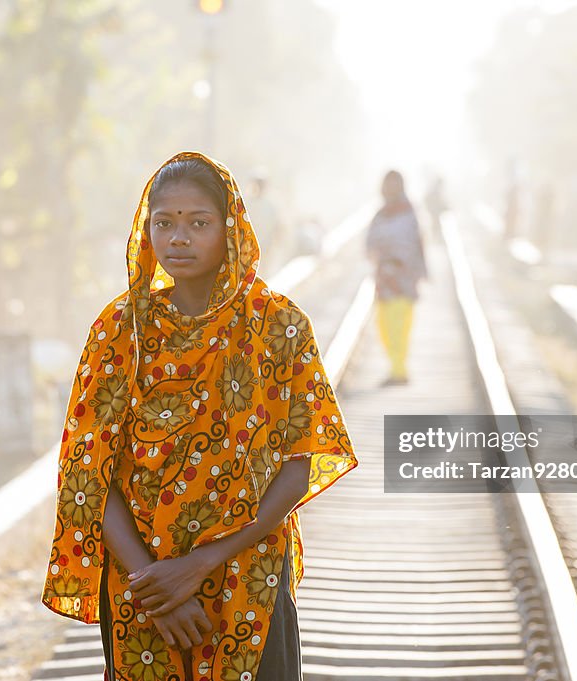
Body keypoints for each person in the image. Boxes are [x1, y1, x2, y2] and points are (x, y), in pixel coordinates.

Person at [41, 151, 359, 681]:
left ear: (229, 228)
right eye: (164, 223)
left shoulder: (277, 325)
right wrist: (156, 585)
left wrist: (198, 565)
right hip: (139, 584)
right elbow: (88, 474)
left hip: (247, 573)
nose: (179, 238)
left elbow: (299, 466)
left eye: (198, 223)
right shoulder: (119, 330)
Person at [365, 170, 428, 387]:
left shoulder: (410, 212)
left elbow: (418, 243)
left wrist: (418, 271)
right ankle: (395, 368)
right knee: (383, 325)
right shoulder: (381, 213)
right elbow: (370, 243)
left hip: (404, 279)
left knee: (400, 326)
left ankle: (398, 371)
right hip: (384, 279)